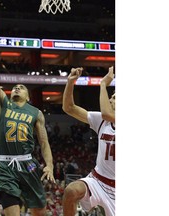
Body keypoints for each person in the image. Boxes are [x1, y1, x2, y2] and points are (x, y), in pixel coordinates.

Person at [0, 16, 56, 216]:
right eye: (15, 86)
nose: (17, 87)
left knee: (40, 211)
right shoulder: (2, 103)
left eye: (21, 87)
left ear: (27, 95)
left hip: (30, 164)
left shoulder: (36, 113)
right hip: (5, 164)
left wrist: (49, 165)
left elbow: (44, 142)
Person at [62, 66, 115, 216]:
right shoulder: (102, 122)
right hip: (98, 181)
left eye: (115, 97)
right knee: (71, 191)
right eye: (110, 97)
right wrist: (70, 83)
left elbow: (106, 113)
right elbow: (69, 108)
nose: (110, 99)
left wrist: (104, 84)